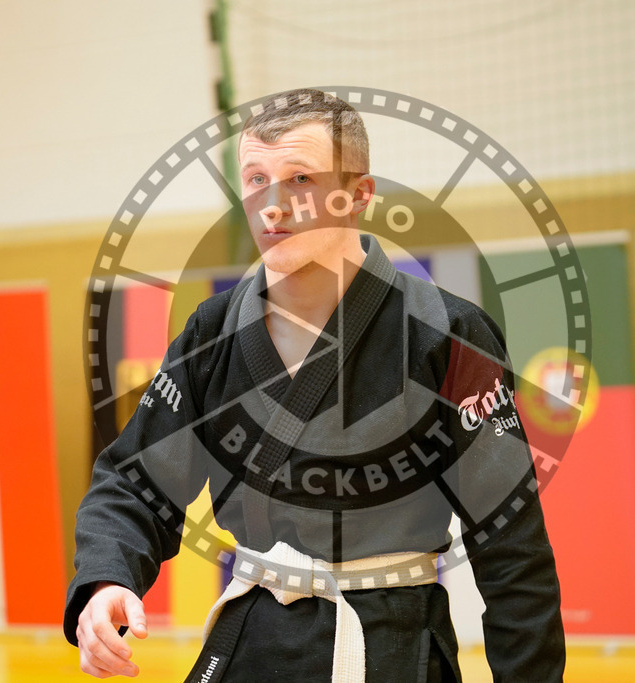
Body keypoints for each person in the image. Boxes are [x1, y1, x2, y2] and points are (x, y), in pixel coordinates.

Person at [64, 88, 566, 682]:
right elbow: (136, 478)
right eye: (255, 180)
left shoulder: (444, 332)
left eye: (299, 179)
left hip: (388, 644)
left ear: (358, 195)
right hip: (251, 637)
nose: (271, 207)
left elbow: (511, 546)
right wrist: (107, 577)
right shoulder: (212, 331)